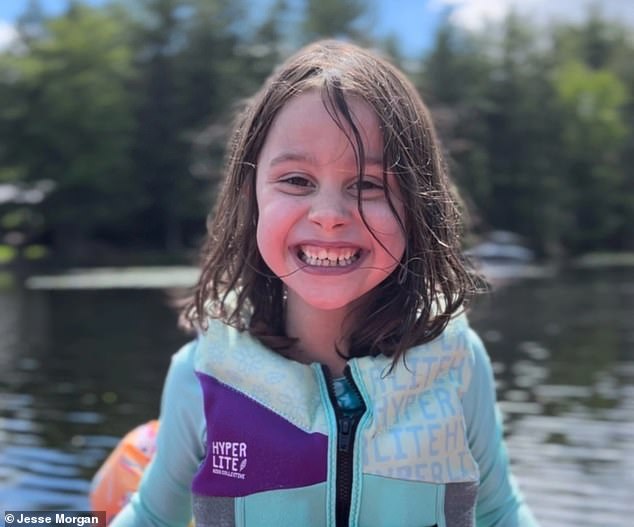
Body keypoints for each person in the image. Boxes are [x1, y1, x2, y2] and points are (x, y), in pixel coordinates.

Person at [102, 39, 538, 527]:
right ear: (253, 196)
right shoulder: (201, 375)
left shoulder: (458, 363)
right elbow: (153, 518)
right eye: (296, 181)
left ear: (419, 205)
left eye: (368, 185)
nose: (329, 216)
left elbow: (500, 512)